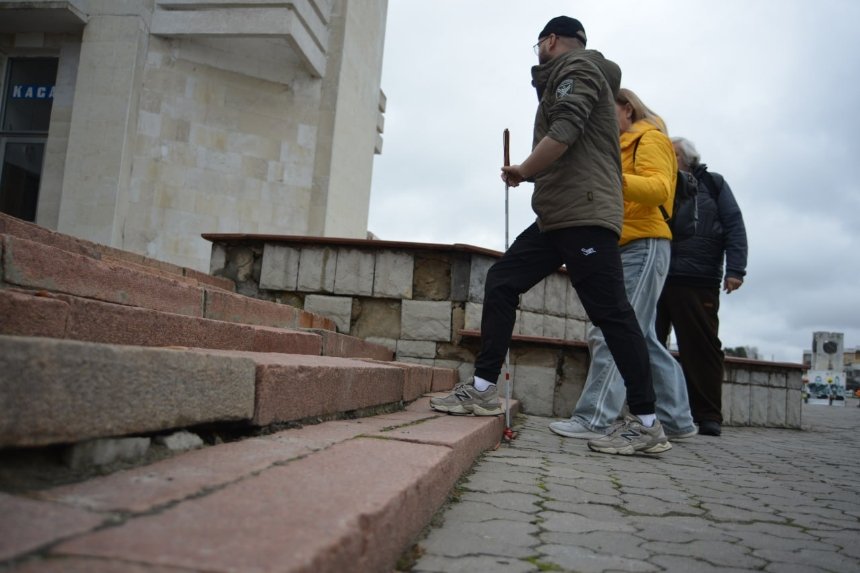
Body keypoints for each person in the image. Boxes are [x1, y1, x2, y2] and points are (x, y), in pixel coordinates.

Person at [430, 16, 671, 455]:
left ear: (551, 40)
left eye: (539, 44)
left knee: (612, 314)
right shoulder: (572, 74)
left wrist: (524, 169)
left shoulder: (576, 70)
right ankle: (483, 388)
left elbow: (565, 130)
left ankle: (647, 423)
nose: (538, 51)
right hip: (556, 216)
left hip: (584, 212)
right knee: (502, 281)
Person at [548, 88, 697, 442]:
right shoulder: (621, 144)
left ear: (627, 108)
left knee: (612, 331)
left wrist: (608, 179)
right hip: (628, 244)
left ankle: (594, 418)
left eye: (606, 109)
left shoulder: (650, 139)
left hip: (644, 244)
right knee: (640, 338)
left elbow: (659, 189)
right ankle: (677, 421)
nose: (599, 117)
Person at [655, 137, 748, 436]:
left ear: (684, 157)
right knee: (650, 342)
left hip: (698, 279)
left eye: (671, 154)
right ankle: (649, 411)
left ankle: (708, 415)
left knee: (702, 348)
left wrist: (736, 269)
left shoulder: (714, 184)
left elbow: (734, 225)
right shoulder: (659, 180)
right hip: (657, 272)